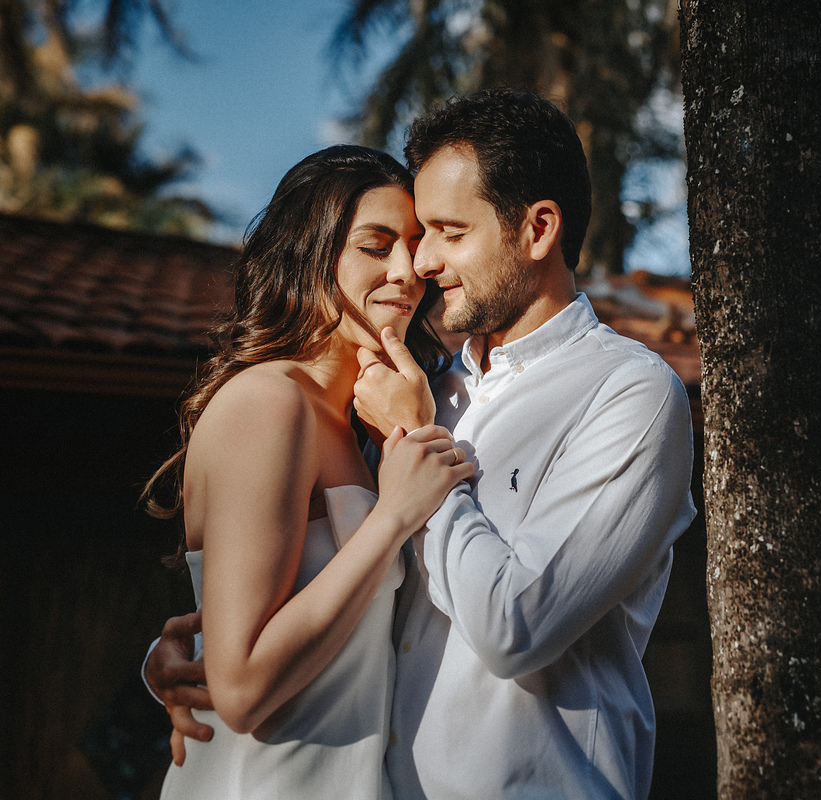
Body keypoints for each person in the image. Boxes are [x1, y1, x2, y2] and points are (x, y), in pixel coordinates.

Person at [150, 89, 696, 800]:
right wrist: (187, 658)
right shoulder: (424, 388)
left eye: (444, 233)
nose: (421, 265)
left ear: (537, 230)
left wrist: (413, 446)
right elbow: (303, 593)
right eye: (403, 240)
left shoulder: (628, 394)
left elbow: (516, 628)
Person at [143, 145, 473, 799]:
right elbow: (240, 691)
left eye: (414, 245)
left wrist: (161, 661)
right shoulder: (270, 403)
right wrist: (394, 518)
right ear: (311, 255)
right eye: (376, 245)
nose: (408, 272)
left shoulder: (352, 426)